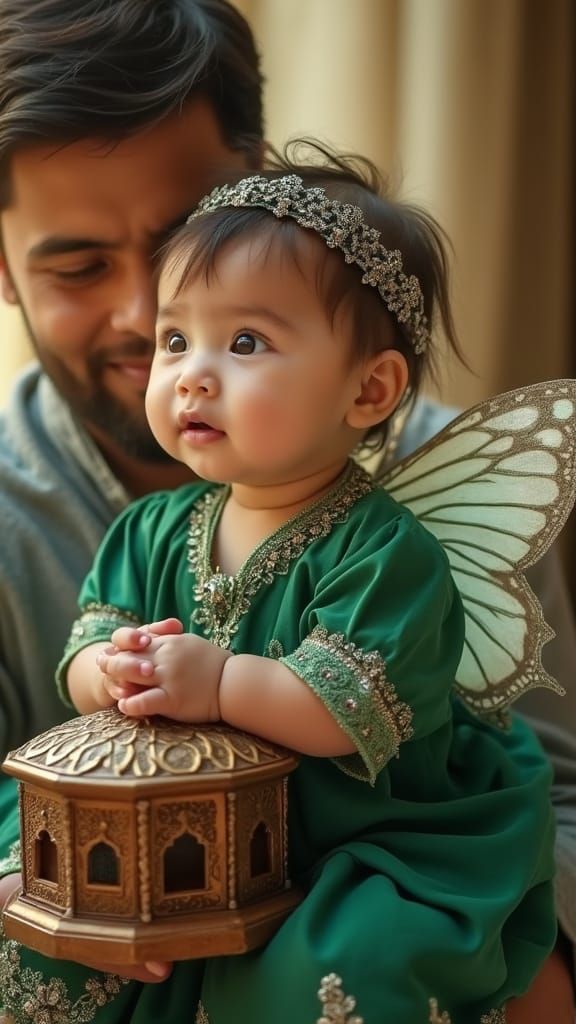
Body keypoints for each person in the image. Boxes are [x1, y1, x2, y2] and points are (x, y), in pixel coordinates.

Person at [0, 1, 572, 1021]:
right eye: (79, 265)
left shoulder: (406, 518)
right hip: (147, 848)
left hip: (361, 856)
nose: (150, 321)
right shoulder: (108, 528)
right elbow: (86, 654)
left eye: (196, 248)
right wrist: (108, 669)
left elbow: (546, 796)